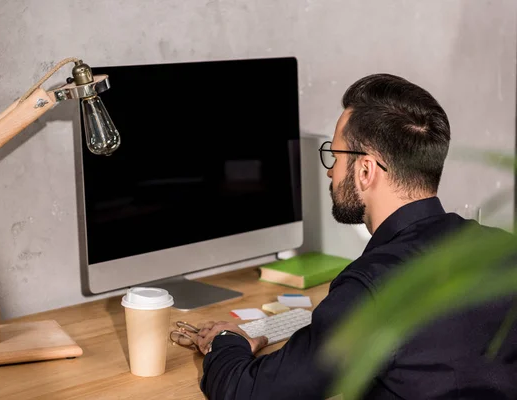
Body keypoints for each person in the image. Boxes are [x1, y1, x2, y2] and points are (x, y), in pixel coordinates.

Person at [180, 73, 517, 399]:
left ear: (365, 170)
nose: (330, 169)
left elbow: (248, 392)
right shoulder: (500, 249)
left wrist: (226, 339)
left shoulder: (371, 289)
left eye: (335, 155)